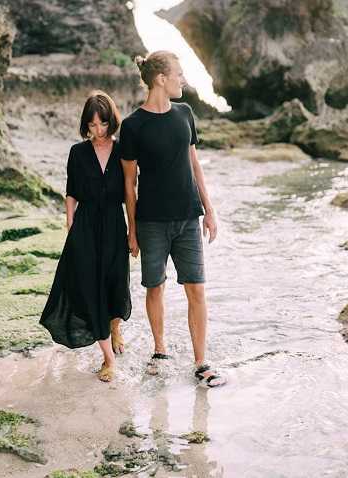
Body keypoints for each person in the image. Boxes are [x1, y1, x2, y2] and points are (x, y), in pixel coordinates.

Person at [119, 51, 226, 387]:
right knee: (155, 286)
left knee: (196, 288)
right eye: (178, 74)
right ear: (161, 79)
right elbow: (128, 183)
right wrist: (132, 229)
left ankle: (201, 361)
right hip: (151, 222)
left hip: (188, 219)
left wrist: (209, 209)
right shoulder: (133, 125)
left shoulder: (185, 113)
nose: (182, 80)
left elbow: (195, 165)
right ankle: (160, 349)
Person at [39, 90, 131, 382]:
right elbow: (71, 192)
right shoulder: (77, 153)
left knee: (115, 283)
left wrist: (134, 233)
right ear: (85, 125)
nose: (98, 131)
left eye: (103, 124)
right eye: (92, 126)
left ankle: (115, 326)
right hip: (86, 226)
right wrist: (70, 224)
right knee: (90, 289)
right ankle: (109, 359)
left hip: (116, 226)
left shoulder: (122, 151)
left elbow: (131, 193)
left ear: (110, 121)